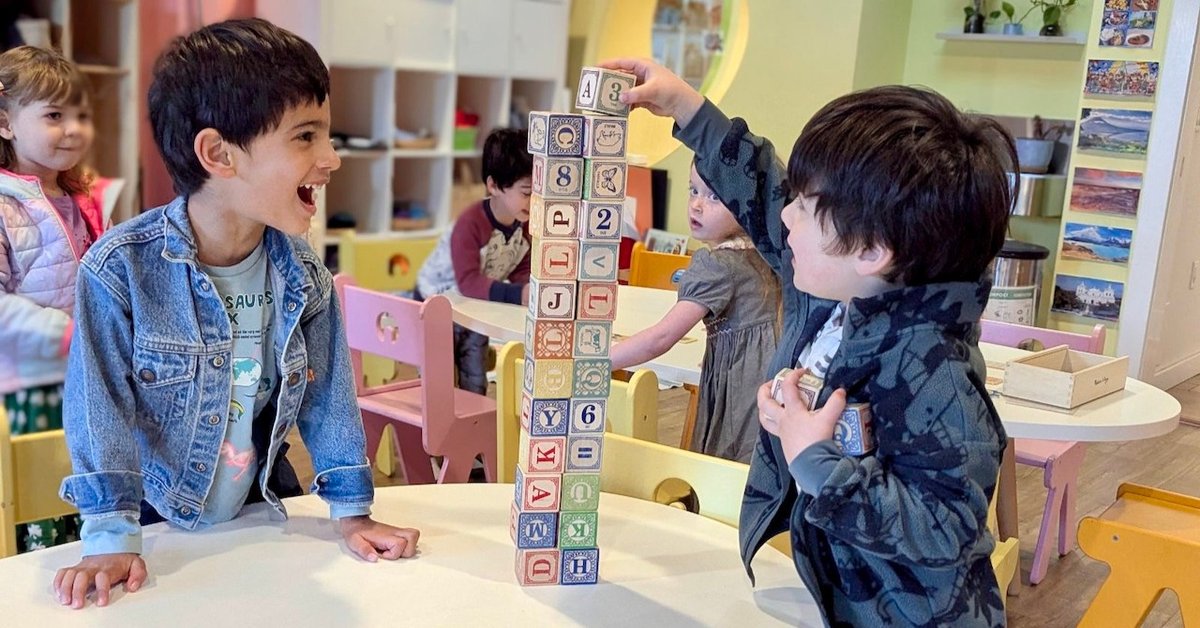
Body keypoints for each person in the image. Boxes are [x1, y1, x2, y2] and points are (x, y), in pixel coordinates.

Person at [605, 58, 1014, 626]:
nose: (785, 216)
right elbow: (761, 188)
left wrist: (816, 461)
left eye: (804, 206)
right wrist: (686, 108)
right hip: (836, 592)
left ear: (872, 250)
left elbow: (948, 528)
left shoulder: (936, 368)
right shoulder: (836, 287)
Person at [54, 19, 420, 609]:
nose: (331, 158)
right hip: (155, 522)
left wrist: (352, 512)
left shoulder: (304, 274)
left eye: (326, 134)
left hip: (264, 507)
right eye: (305, 136)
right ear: (218, 154)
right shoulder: (120, 270)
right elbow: (100, 412)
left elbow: (328, 400)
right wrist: (110, 539)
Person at [0, 45, 102, 553]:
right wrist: (66, 335)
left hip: (86, 376)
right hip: (32, 386)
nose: (74, 130)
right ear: (5, 124)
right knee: (41, 513)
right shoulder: (5, 204)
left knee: (88, 505)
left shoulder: (81, 199)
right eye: (55, 116)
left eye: (81, 116)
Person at [610, 161, 779, 462]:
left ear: (749, 204)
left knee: (726, 463)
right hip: (768, 383)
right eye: (693, 190)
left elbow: (661, 337)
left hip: (742, 393)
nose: (697, 205)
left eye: (714, 196)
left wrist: (596, 363)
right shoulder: (765, 255)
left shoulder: (718, 265)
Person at [415, 128, 532, 394]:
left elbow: (521, 265)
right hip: (435, 306)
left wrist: (528, 289)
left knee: (475, 381)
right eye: (527, 192)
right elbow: (469, 282)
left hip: (474, 308)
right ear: (494, 186)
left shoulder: (523, 223)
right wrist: (518, 294)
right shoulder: (471, 223)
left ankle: (472, 416)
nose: (534, 200)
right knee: (439, 385)